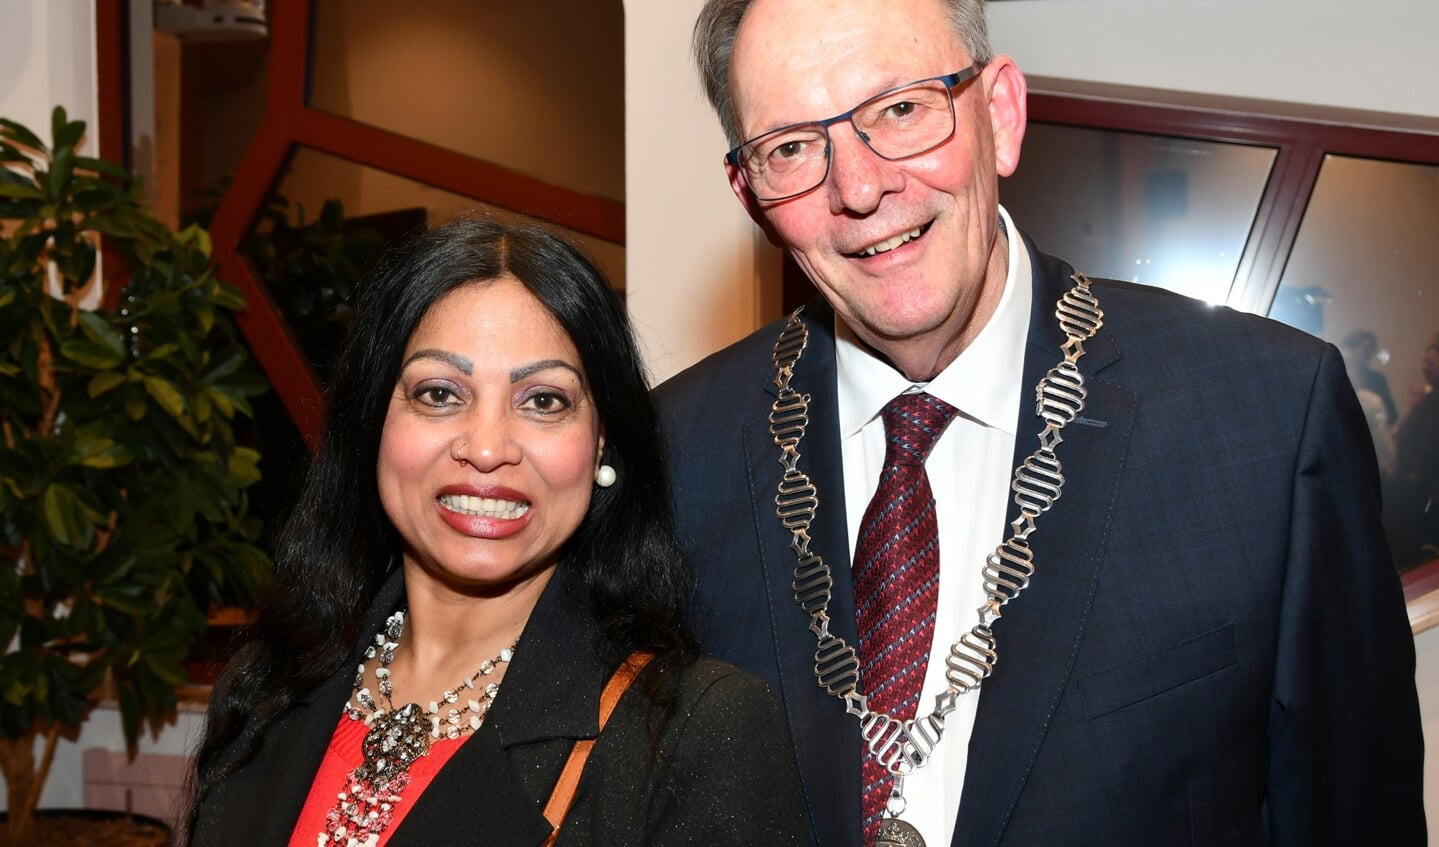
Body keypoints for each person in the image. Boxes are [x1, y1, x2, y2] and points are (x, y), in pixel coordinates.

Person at [655, 0, 1426, 845]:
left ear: (999, 115)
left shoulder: (1266, 418)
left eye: (902, 109)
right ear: (750, 192)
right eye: (793, 147)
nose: (861, 187)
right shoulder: (679, 452)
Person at [183, 218, 808, 846]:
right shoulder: (268, 686)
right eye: (438, 393)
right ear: (373, 424)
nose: (486, 449)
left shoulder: (695, 733)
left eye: (543, 401)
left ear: (601, 446)